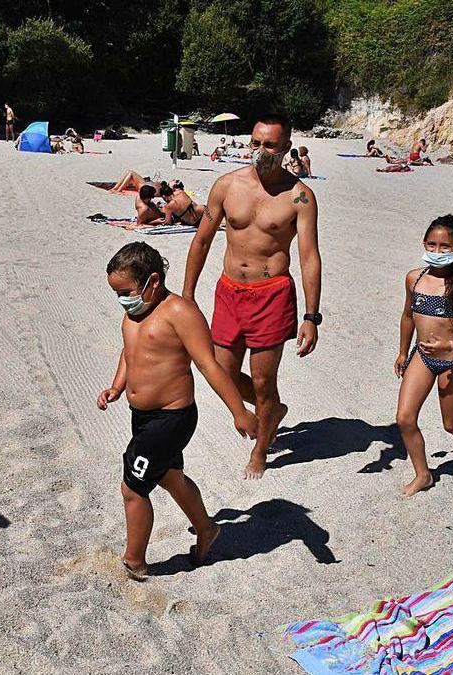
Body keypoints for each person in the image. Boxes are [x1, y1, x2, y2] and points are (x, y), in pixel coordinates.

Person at [98, 242, 257, 580]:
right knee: (170, 477)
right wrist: (117, 386)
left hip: (172, 418)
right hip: (142, 417)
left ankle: (134, 561)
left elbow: (209, 365)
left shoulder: (180, 313)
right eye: (116, 294)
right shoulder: (134, 312)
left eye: (125, 292)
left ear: (153, 282)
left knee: (133, 488)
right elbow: (130, 352)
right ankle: (207, 528)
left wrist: (238, 411)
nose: (122, 300)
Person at [182, 112, 322, 480]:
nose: (261, 151)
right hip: (229, 292)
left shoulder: (300, 197)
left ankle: (260, 449)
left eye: (271, 145)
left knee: (263, 382)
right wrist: (187, 295)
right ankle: (271, 412)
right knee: (220, 371)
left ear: (286, 148)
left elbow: (309, 257)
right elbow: (202, 239)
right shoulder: (227, 186)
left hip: (272, 294)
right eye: (256, 143)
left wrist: (311, 316)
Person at [394, 215, 453, 496]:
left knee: (451, 423)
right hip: (421, 356)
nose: (436, 251)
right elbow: (408, 316)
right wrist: (402, 352)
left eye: (444, 246)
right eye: (431, 244)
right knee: (405, 418)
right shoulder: (415, 277)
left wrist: (450, 346)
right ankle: (423, 474)